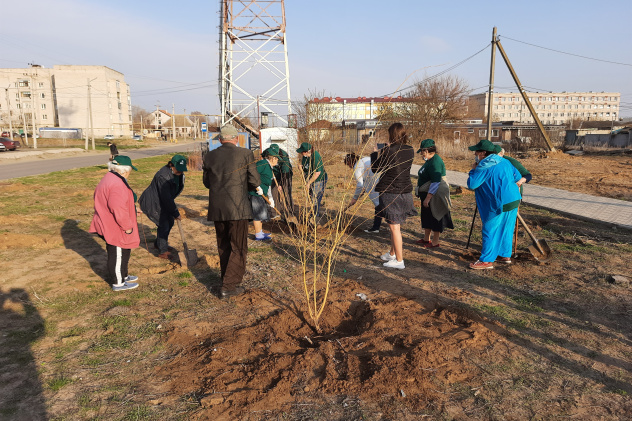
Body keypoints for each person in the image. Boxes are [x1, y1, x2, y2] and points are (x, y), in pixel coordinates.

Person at [203, 124, 261, 298]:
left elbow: (207, 183)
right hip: (237, 208)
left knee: (224, 245)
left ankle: (226, 278)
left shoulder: (209, 156)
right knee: (239, 247)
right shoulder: (245, 154)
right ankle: (229, 286)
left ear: (220, 140)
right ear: (236, 139)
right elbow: (254, 179)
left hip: (217, 208)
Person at [467, 139, 522, 269]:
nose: (475, 154)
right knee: (507, 228)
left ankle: (486, 261)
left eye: (476, 152)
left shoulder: (484, 165)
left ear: (483, 153)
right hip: (513, 199)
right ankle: (504, 255)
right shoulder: (505, 161)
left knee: (489, 229)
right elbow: (517, 176)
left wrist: (473, 170)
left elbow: (472, 184)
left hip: (498, 202)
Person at [89, 155, 140, 291]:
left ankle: (124, 275)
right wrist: (127, 226)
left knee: (124, 250)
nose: (129, 174)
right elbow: (116, 206)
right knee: (117, 253)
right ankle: (118, 282)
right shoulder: (117, 184)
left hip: (109, 221)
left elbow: (120, 203)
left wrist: (133, 210)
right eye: (130, 171)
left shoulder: (109, 178)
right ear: (124, 171)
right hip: (113, 225)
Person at [370, 122, 415, 269]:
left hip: (391, 192)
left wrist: (375, 153)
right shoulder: (410, 149)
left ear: (391, 135)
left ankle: (399, 261)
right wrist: (389, 149)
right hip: (406, 192)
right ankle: (392, 254)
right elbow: (399, 160)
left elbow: (375, 168)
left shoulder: (389, 151)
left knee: (394, 228)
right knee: (395, 226)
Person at [139, 154, 187, 260]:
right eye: (178, 170)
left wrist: (173, 212)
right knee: (164, 224)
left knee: (170, 222)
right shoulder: (163, 176)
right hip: (152, 203)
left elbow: (170, 196)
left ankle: (159, 244)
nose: (180, 172)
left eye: (182, 170)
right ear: (171, 165)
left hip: (162, 202)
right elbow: (166, 198)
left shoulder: (179, 175)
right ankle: (163, 251)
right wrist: (175, 212)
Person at [415, 139, 454, 248]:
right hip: (426, 194)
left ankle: (435, 242)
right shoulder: (429, 160)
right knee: (427, 217)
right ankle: (426, 239)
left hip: (434, 195)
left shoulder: (436, 162)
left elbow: (436, 181)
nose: (421, 154)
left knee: (436, 217)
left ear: (426, 151)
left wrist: (428, 198)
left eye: (422, 152)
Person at [343, 153, 382, 233]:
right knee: (381, 204)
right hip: (381, 180)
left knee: (379, 206)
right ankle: (378, 226)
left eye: (348, 165)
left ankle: (376, 228)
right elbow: (365, 179)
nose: (349, 167)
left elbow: (360, 184)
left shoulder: (357, 167)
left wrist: (355, 198)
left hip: (376, 183)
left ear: (350, 163)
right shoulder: (364, 160)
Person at [251, 148, 280, 240]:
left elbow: (268, 184)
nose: (277, 160)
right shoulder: (262, 164)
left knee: (261, 213)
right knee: (258, 214)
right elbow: (251, 174)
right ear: (273, 158)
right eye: (277, 158)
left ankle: (260, 232)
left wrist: (271, 198)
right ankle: (258, 235)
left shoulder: (269, 167)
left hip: (261, 194)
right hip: (254, 193)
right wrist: (257, 186)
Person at [297, 142, 327, 221]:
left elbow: (317, 173)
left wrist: (308, 183)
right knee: (310, 196)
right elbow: (305, 168)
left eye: (302, 152)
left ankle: (315, 216)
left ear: (307, 151)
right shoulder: (305, 157)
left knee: (316, 197)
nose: (300, 153)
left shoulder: (315, 157)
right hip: (310, 178)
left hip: (319, 179)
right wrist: (301, 168)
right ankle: (311, 213)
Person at [268, 144, 294, 219]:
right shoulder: (268, 153)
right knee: (274, 193)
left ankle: (290, 213)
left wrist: (281, 184)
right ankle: (275, 213)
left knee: (286, 193)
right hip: (275, 175)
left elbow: (285, 172)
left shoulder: (284, 157)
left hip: (285, 175)